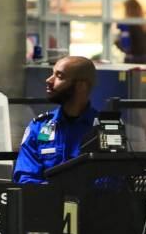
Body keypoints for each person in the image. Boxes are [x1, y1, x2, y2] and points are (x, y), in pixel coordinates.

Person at [13, 56, 99, 184]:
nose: (48, 80)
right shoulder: (40, 127)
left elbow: (114, 180)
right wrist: (58, 192)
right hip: (46, 202)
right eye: (52, 73)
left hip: (92, 203)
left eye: (59, 76)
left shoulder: (103, 129)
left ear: (81, 86)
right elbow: (25, 178)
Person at [116, 0, 146, 64]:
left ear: (129, 10)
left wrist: (116, 42)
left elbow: (125, 47)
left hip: (132, 62)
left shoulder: (129, 25)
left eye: (125, 9)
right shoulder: (145, 24)